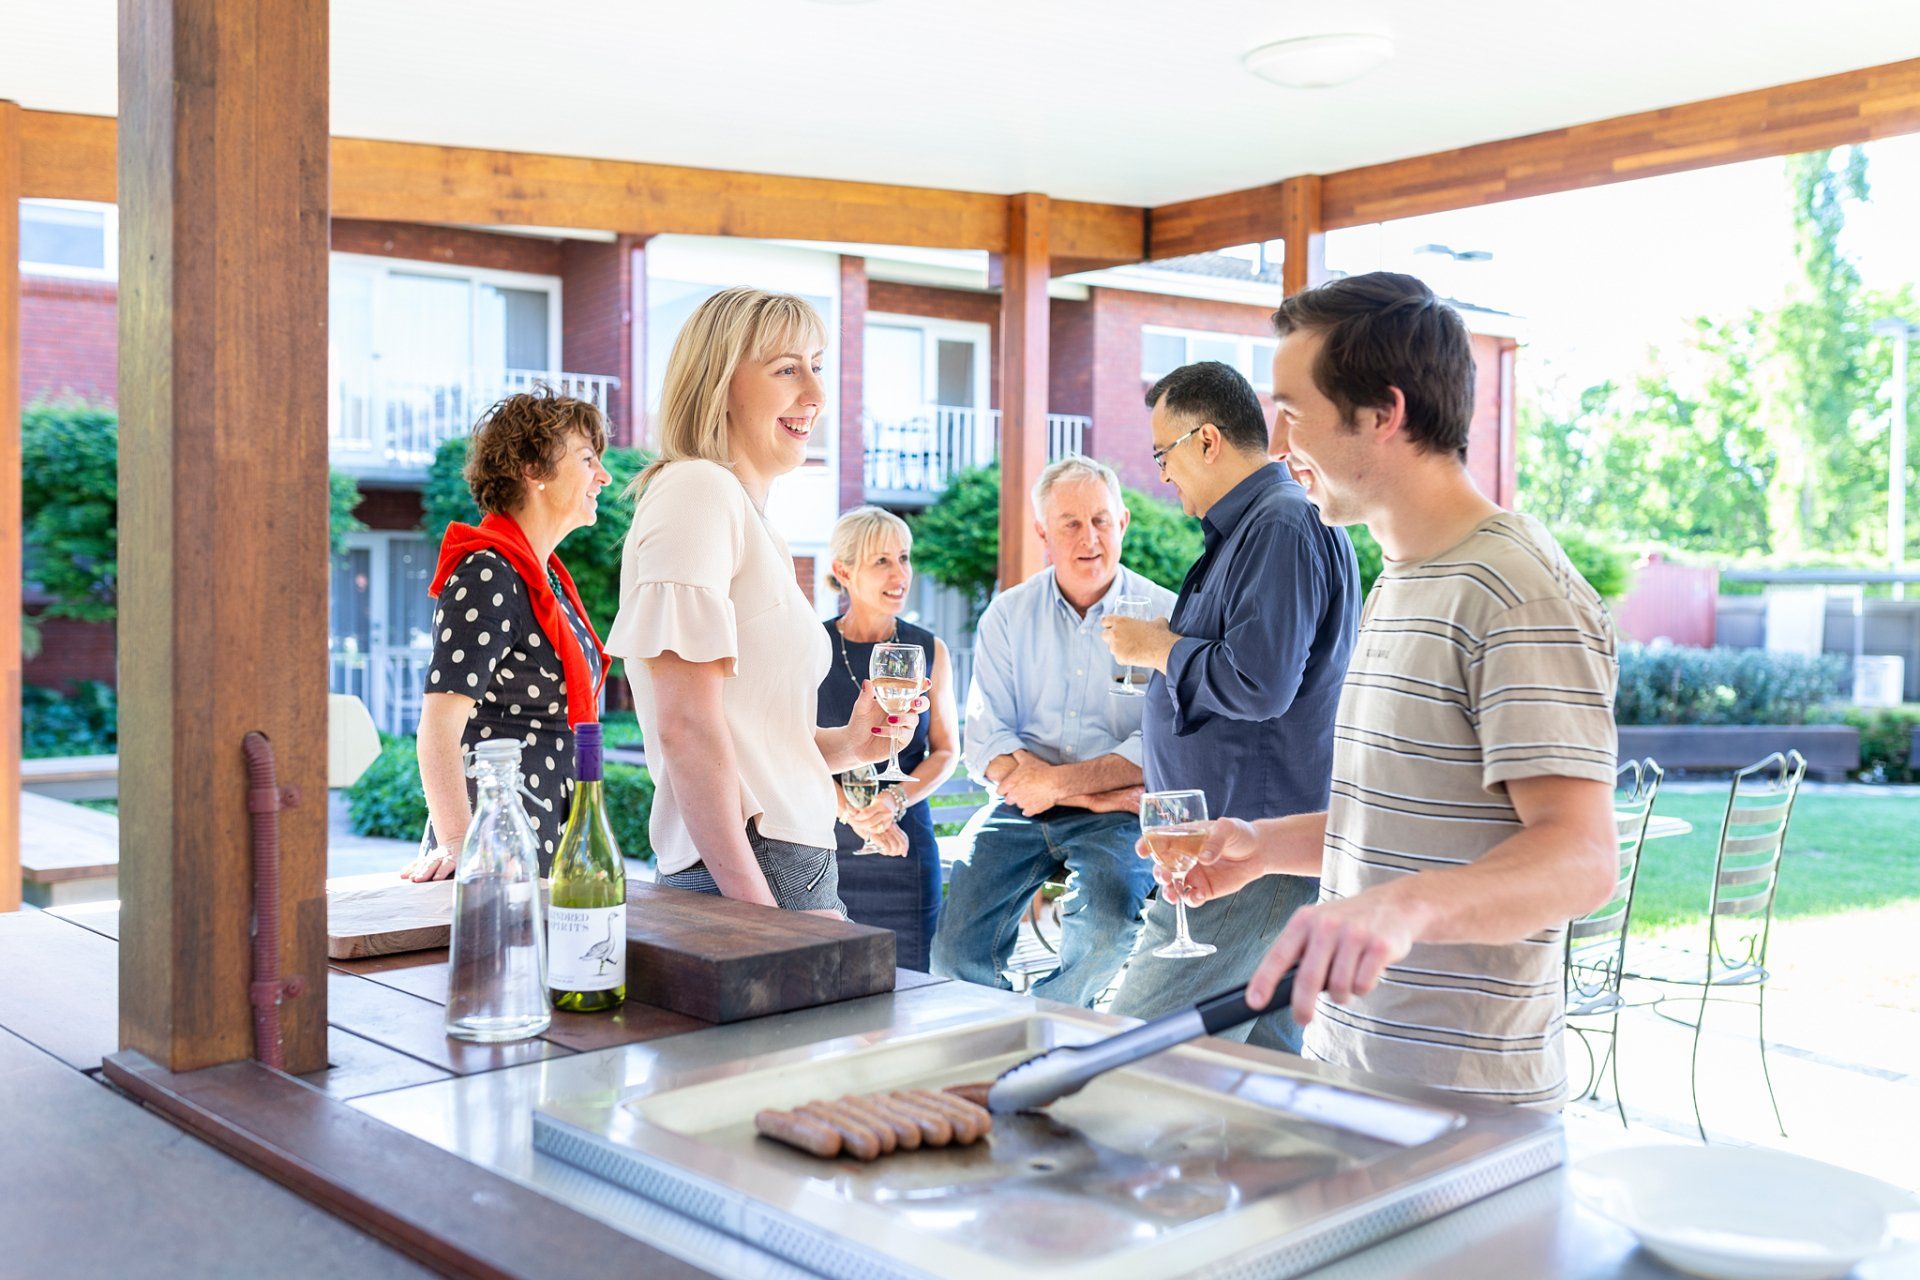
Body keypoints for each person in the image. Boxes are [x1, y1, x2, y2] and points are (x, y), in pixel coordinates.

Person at [1167, 272, 1618, 1107]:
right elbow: (1420, 813)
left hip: (1464, 1105)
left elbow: (1582, 857)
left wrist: (1399, 909)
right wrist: (1267, 848)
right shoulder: (1403, 579)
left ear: (1383, 414)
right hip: (1352, 1069)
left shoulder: (1517, 592)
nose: (1275, 440)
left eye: (1293, 410)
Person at [606, 288, 924, 915]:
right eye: (786, 369)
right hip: (756, 870)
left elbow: (750, 734)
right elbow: (685, 727)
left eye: (817, 365)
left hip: (790, 863)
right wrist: (756, 915)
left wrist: (851, 745)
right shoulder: (697, 491)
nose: (816, 394)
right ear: (718, 383)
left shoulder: (750, 518)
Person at [1100, 361, 1359, 1051]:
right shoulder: (1253, 531)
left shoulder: (1280, 527)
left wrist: (1159, 649)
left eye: (1164, 453)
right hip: (1239, 849)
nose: (1161, 473)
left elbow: (1259, 682)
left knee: (1124, 1054)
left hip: (1245, 851)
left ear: (1207, 441)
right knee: (1261, 1078)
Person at [930, 457, 1176, 1007]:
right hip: (1022, 807)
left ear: (1124, 523)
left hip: (1116, 819)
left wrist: (1062, 786)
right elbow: (986, 735)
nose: (1089, 538)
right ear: (1043, 532)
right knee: (952, 954)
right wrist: (1083, 790)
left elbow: (1160, 744)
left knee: (1109, 929)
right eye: (1069, 523)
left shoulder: (1165, 617)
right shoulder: (1007, 616)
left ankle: (1045, 1023)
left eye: (1101, 520)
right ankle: (987, 1031)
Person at [405, 389, 615, 881]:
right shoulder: (488, 573)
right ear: (534, 470)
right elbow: (438, 729)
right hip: (497, 844)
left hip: (548, 828)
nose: (603, 476)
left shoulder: (546, 580)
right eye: (587, 459)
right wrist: (461, 849)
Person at [815, 506, 961, 971]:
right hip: (825, 854)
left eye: (904, 557)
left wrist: (895, 801)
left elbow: (946, 751)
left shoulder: (929, 648)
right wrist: (853, 814)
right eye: (882, 561)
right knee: (829, 984)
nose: (901, 573)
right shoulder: (811, 649)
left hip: (907, 853)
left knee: (908, 986)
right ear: (843, 570)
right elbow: (791, 750)